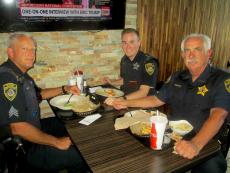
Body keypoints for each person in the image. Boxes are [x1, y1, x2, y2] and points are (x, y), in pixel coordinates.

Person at [106, 33, 230, 173]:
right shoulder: (177, 76)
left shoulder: (222, 79)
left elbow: (219, 115)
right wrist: (126, 102)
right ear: (182, 55)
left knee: (212, 168)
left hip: (205, 140)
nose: (191, 55)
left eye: (197, 49)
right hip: (172, 135)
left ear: (209, 53)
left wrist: (195, 144)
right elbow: (155, 99)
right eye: (187, 50)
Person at [0, 33, 89, 173]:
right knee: (81, 155)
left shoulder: (20, 74)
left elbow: (38, 94)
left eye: (33, 49)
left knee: (69, 121)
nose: (31, 54)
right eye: (25, 49)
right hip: (24, 147)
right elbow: (18, 127)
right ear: (11, 52)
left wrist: (64, 89)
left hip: (35, 127)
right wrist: (57, 142)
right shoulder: (7, 79)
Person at [103, 28, 159, 100]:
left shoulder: (149, 62)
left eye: (131, 42)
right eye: (124, 43)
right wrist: (111, 82)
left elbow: (143, 92)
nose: (127, 47)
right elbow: (126, 80)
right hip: (126, 100)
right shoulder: (124, 60)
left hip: (142, 106)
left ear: (139, 43)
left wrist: (122, 99)